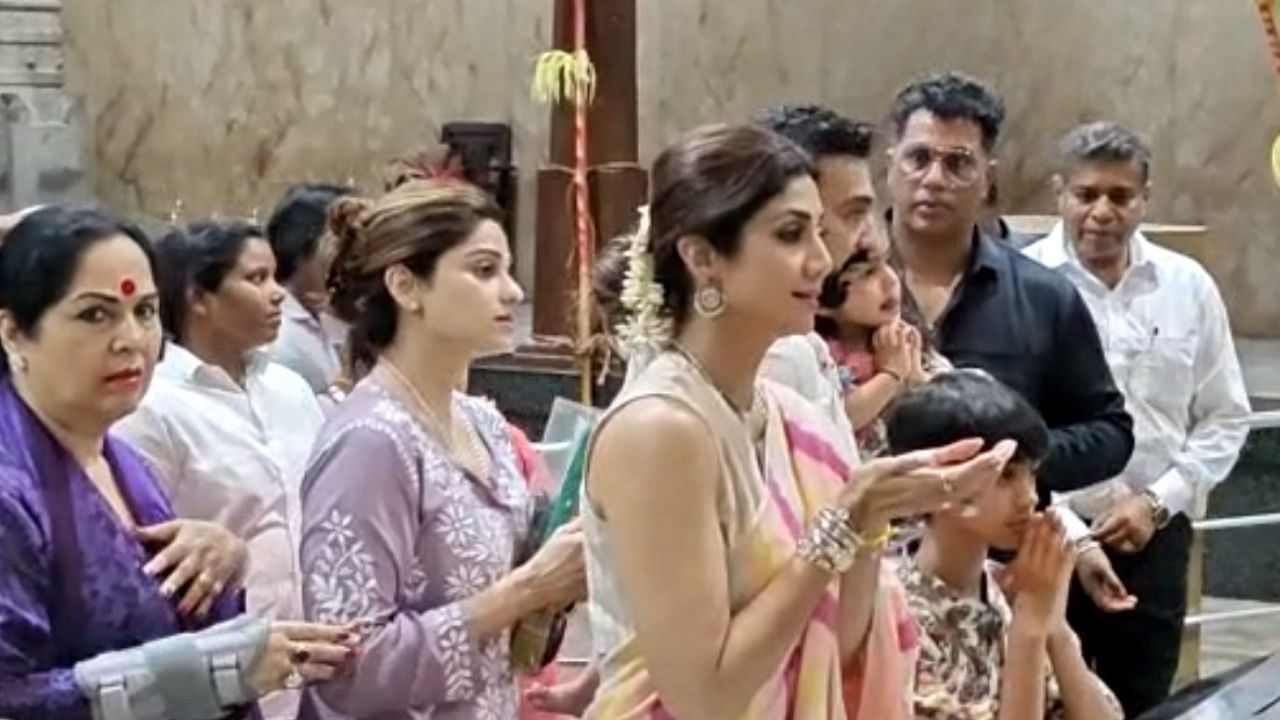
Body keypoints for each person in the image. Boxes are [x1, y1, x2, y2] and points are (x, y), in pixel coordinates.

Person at [583, 123, 1019, 719]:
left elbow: (833, 647)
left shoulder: (783, 413)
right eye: (791, 234)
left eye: (821, 231)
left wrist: (870, 521)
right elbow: (703, 698)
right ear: (703, 257)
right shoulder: (662, 429)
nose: (822, 260)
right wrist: (844, 517)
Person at [0, 206, 353, 720]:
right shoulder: (12, 489)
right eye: (95, 314)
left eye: (144, 311)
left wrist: (226, 556)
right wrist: (216, 668)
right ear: (12, 332)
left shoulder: (118, 459)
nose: (131, 340)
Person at [297, 179, 587, 719]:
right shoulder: (371, 443)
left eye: (506, 269)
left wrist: (563, 575)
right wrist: (527, 588)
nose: (512, 292)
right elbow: (348, 667)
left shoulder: (482, 422)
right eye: (483, 270)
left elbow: (518, 602)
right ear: (406, 286)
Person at [1024, 121, 1252, 717]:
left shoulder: (1188, 286)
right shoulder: (1020, 287)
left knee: (1147, 700)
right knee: (1039, 699)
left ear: (1144, 199)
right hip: (1043, 534)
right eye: (1086, 194)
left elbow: (1225, 415)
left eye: (1120, 196)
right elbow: (1010, 433)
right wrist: (1071, 535)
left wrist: (1156, 503)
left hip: (1156, 536)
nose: (1102, 211)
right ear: (1059, 194)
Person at [884, 71, 1134, 503]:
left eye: (958, 163)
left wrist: (1013, 458)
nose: (935, 179)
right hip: (865, 543)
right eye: (918, 158)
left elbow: (1110, 433)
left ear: (988, 177)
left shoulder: (1044, 295)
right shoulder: (831, 287)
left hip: (1002, 553)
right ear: (891, 166)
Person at [114, 220, 328, 719]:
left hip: (314, 659)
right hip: (226, 664)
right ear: (198, 297)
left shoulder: (290, 388)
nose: (278, 295)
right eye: (255, 280)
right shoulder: (153, 407)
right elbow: (143, 548)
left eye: (276, 277)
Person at [885, 370, 1121, 719]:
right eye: (1006, 476)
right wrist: (1028, 631)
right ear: (940, 480)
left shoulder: (1009, 587)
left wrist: (1055, 629)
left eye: (1032, 473)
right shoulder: (895, 610)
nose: (1028, 497)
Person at [751, 104, 872, 460]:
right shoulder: (778, 353)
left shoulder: (799, 341)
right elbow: (798, 509)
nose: (865, 239)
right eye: (793, 232)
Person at [266, 184, 355, 402]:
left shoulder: (324, 317)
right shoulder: (277, 331)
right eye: (342, 244)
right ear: (302, 250)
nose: (352, 258)